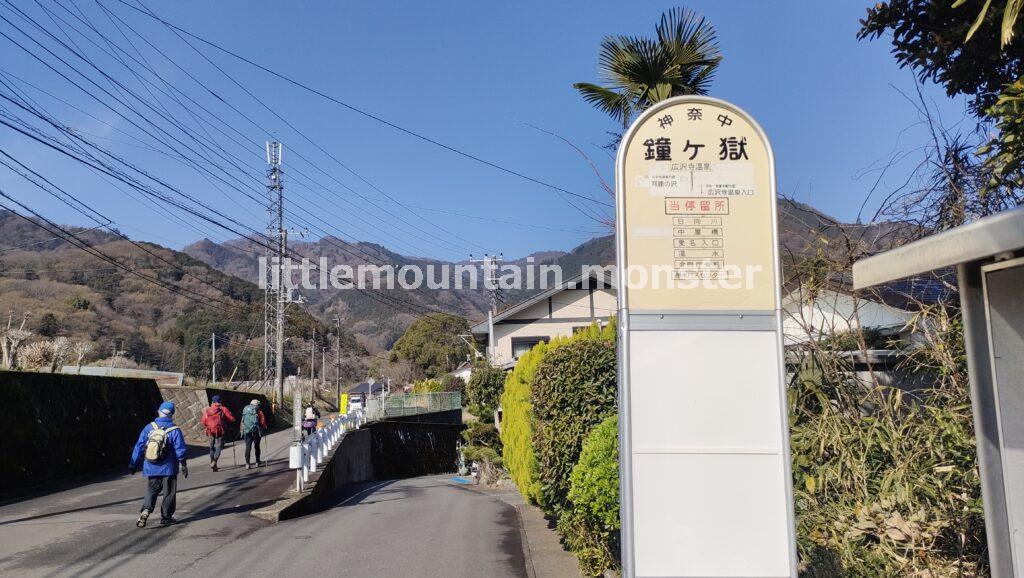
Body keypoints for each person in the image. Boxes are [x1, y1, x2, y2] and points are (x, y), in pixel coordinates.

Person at [129, 401, 188, 528]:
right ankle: (166, 517)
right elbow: (180, 449)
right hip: (169, 467)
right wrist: (183, 464)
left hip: (151, 466)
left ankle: (146, 510)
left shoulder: (149, 428)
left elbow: (139, 446)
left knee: (152, 490)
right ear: (172, 414)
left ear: (159, 412)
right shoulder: (175, 430)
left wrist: (133, 464)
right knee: (169, 492)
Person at [200, 395, 235, 472]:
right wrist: (232, 419)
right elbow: (230, 418)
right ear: (220, 401)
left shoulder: (207, 410)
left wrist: (209, 425)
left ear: (212, 402)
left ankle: (212, 461)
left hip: (210, 431)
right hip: (219, 431)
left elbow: (203, 421)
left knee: (212, 447)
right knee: (218, 447)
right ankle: (214, 462)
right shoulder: (223, 409)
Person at [240, 399, 267, 469]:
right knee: (257, 446)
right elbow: (262, 421)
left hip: (247, 431)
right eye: (258, 405)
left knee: (248, 447)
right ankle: (257, 462)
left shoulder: (246, 410)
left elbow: (242, 421)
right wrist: (264, 427)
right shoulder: (258, 411)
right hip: (256, 431)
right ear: (257, 405)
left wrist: (242, 430)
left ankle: (247, 464)